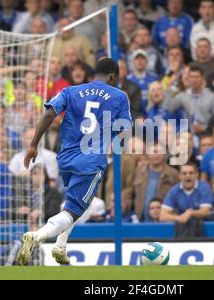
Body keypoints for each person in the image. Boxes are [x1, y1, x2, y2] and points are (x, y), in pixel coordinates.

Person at [16, 58, 132, 265]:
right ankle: (37, 236)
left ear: (95, 74)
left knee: (74, 202)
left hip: (66, 157)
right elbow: (123, 128)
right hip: (90, 161)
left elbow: (49, 113)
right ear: (113, 76)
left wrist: (34, 145)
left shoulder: (71, 91)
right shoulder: (119, 96)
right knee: (75, 208)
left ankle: (60, 245)